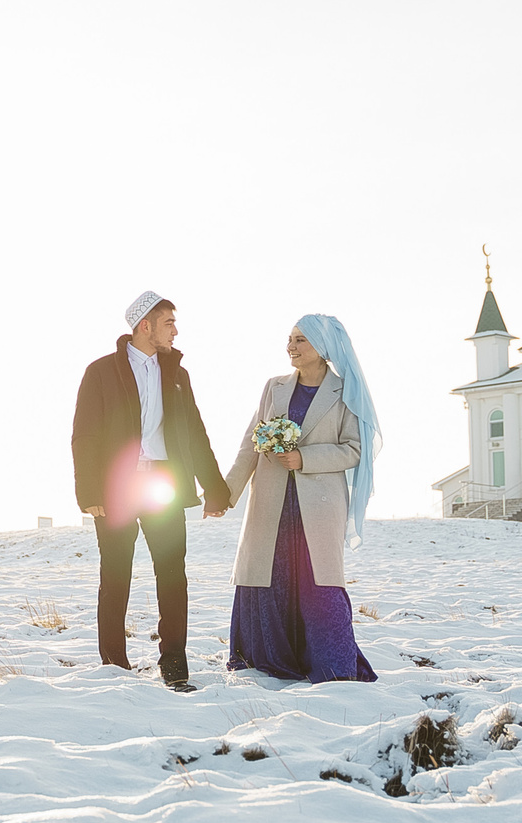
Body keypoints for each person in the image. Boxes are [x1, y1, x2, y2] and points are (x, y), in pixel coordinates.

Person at [71, 291, 230, 691]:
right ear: (146, 326)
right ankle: (114, 666)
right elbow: (84, 435)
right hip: (117, 487)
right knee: (116, 575)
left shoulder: (177, 374)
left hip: (163, 483)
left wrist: (214, 487)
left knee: (173, 575)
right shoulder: (100, 372)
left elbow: (194, 431)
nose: (175, 332)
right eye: (169, 323)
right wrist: (89, 490)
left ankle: (175, 667)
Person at [225, 314, 382, 684]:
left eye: (301, 341)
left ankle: (330, 666)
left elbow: (355, 450)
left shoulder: (346, 392)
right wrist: (226, 494)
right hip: (271, 501)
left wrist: (304, 458)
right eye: (290, 339)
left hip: (319, 505)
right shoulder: (274, 387)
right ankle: (266, 660)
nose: (291, 347)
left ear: (322, 348)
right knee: (267, 575)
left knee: (318, 583)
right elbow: (251, 443)